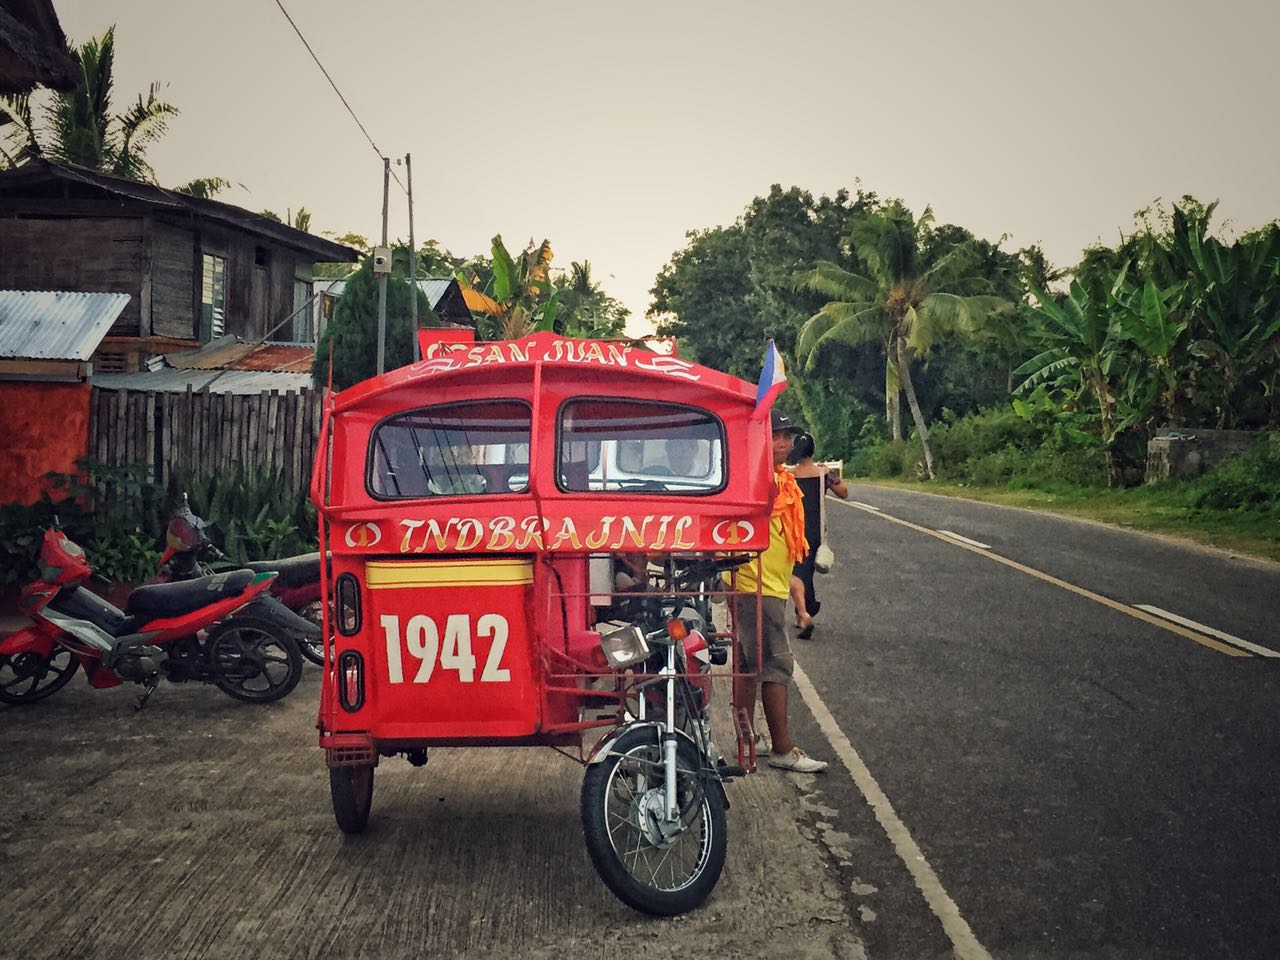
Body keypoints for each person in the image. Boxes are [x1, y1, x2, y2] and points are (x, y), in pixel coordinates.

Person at [730, 409, 829, 774]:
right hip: (753, 583)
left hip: (767, 582)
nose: (784, 443)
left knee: (746, 663)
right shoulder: (755, 477)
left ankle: (746, 737)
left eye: (787, 436)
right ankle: (782, 748)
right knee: (775, 664)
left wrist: (793, 583)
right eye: (775, 435)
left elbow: (781, 540)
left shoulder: (780, 479)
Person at [788, 432, 848, 639]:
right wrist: (830, 472)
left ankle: (805, 613)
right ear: (813, 450)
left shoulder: (789, 475)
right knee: (805, 572)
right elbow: (843, 492)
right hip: (816, 531)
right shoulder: (824, 474)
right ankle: (804, 611)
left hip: (795, 530)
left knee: (796, 573)